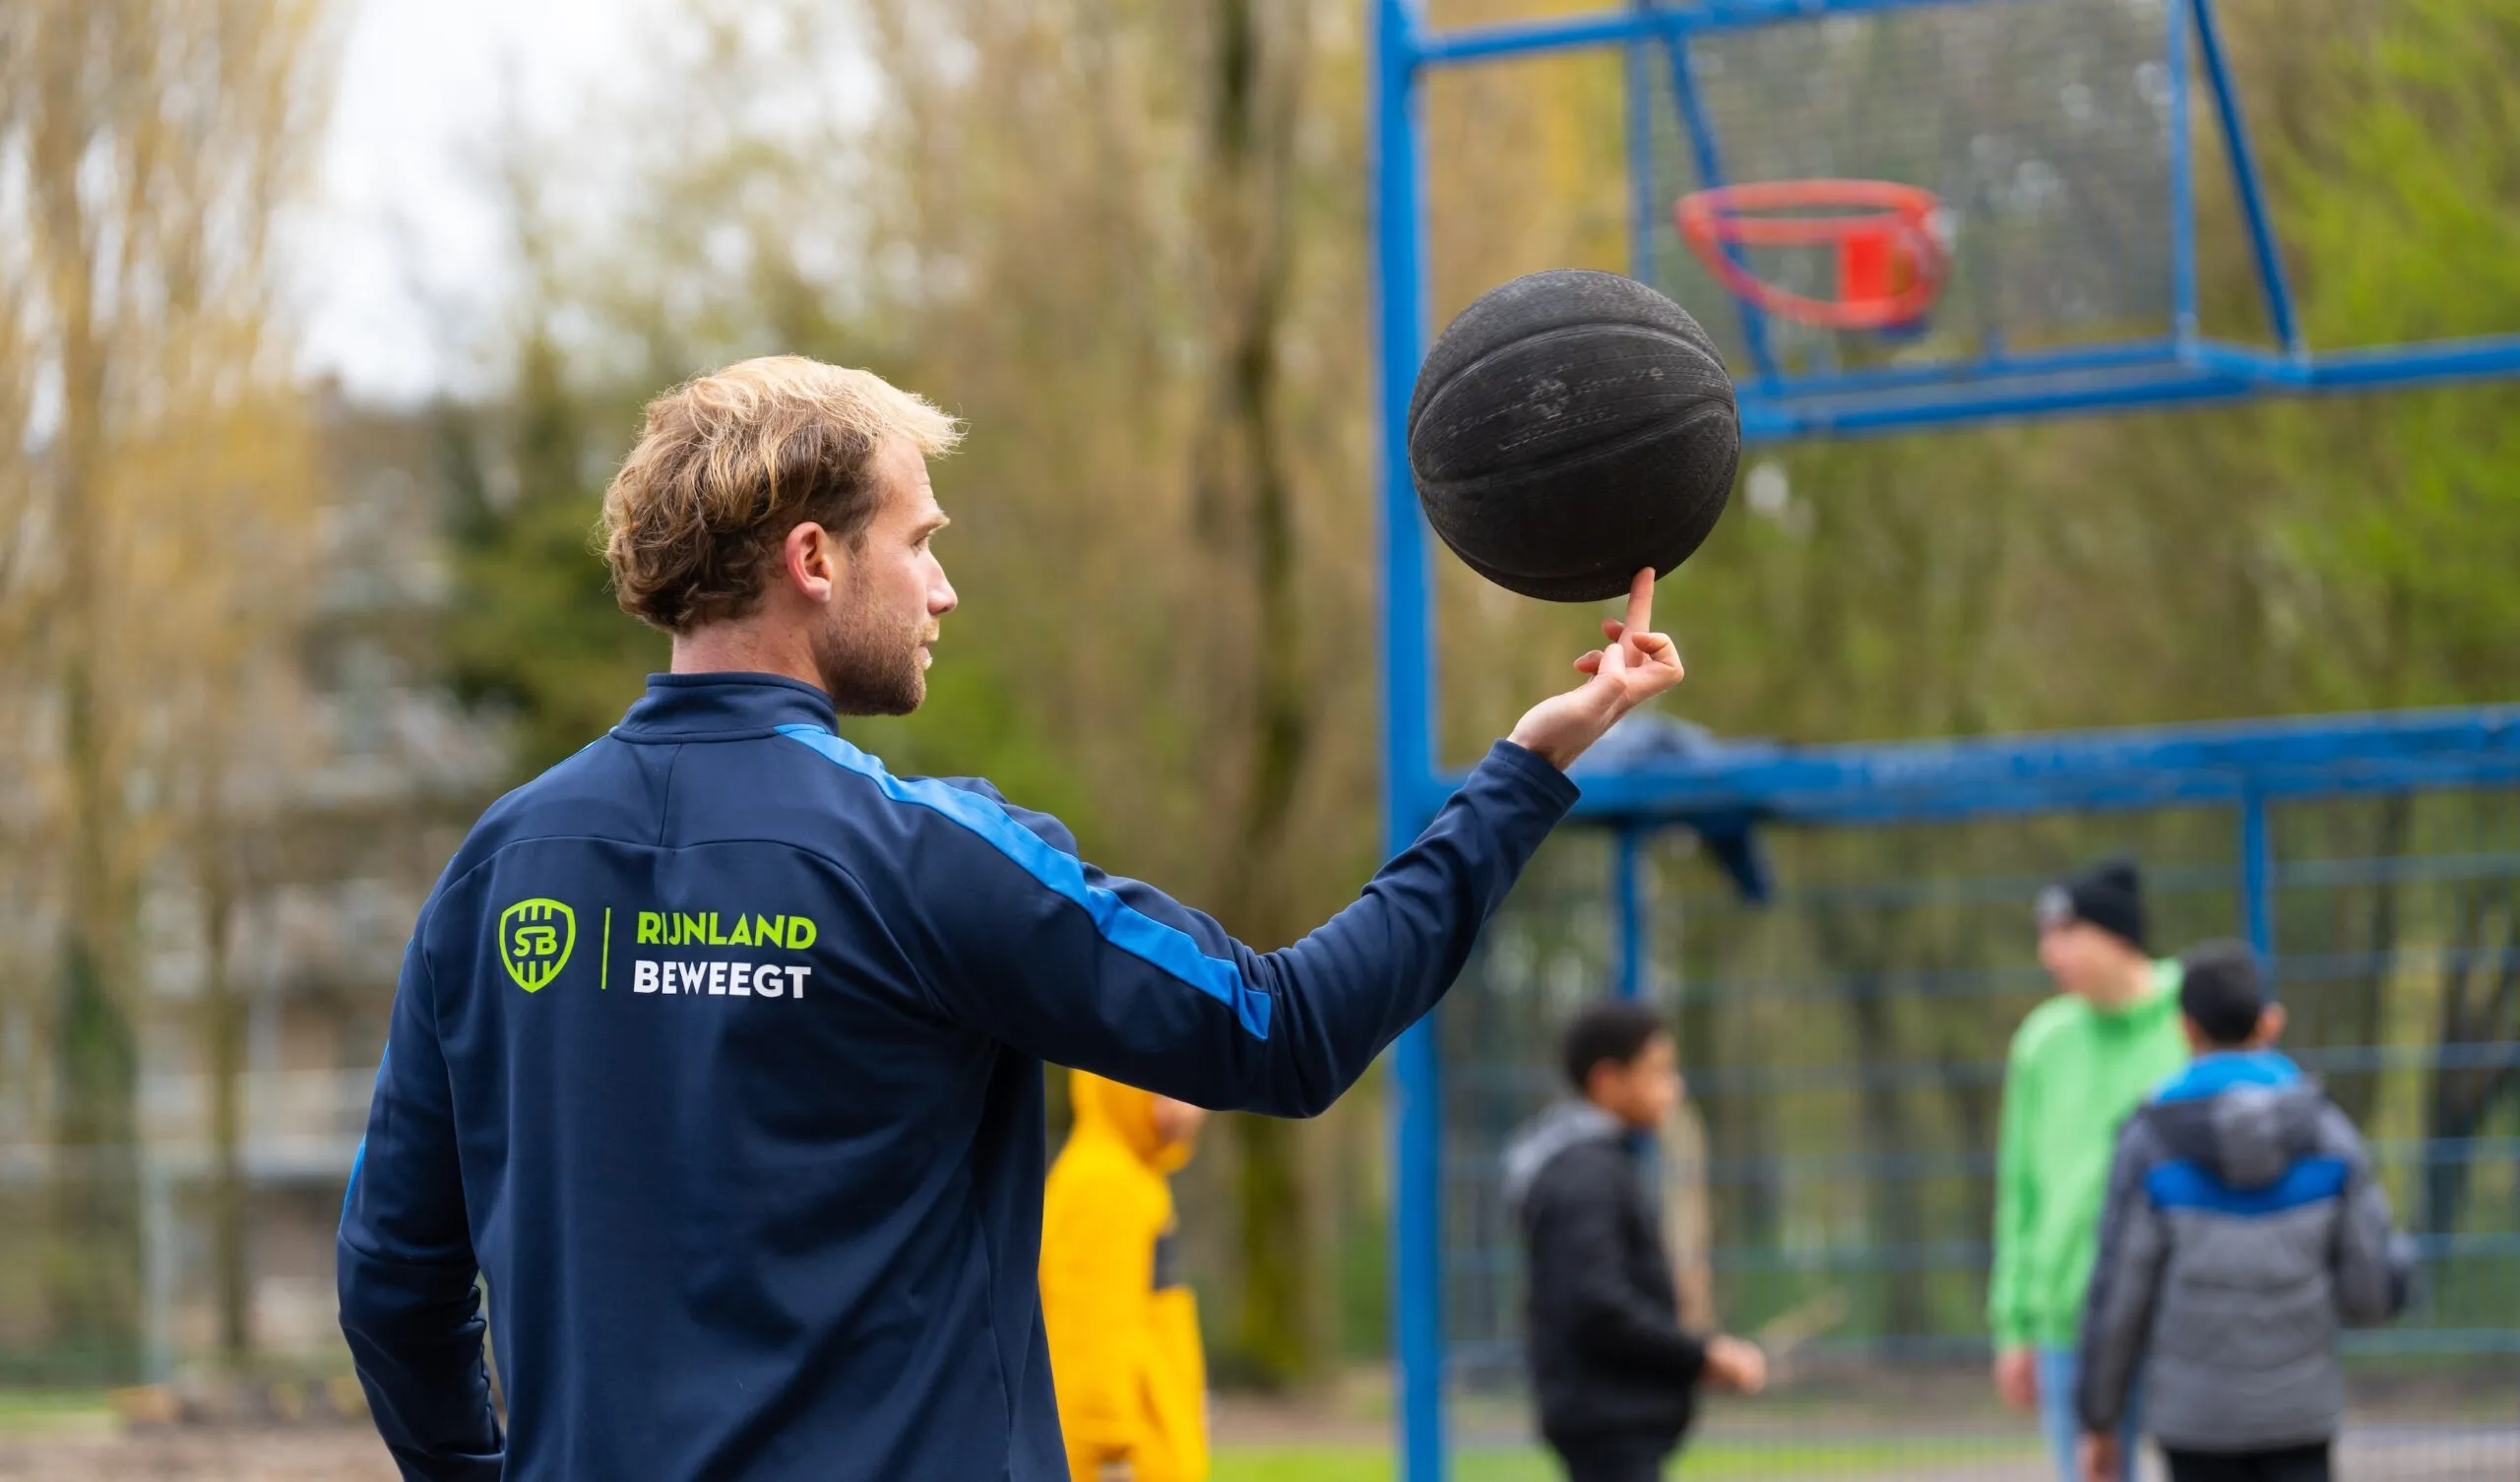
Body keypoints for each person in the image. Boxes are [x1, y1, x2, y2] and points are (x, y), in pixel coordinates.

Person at [334, 356, 1686, 1481]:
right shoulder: (924, 855)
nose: (942, 591)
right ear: (813, 558)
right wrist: (1525, 771)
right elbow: (1284, 1027)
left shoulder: (500, 867)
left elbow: (394, 1277)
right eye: (919, 542)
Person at [2076, 941, 2413, 1482]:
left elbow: (2119, 1295)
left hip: (2194, 1423)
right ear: (2269, 1023)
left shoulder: (2150, 1143)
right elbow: (2371, 1292)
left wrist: (2099, 1419)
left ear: (2186, 1030)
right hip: (2300, 1417)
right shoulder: (2328, 1136)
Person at [1503, 1000, 1768, 1482]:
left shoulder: (1596, 1166)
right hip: (1608, 1423)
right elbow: (1597, 1303)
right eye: (1659, 1071)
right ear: (1608, 1080)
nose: (1675, 1088)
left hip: (1610, 1420)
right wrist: (1700, 1355)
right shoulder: (1587, 1176)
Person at [1988, 858, 2190, 1482]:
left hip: (2182, 1313)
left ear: (2117, 936)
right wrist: (2015, 1323)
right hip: (2069, 1321)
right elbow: (2020, 1191)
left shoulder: (2193, 1020)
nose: (2049, 954)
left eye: (2066, 934)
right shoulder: (2042, 1043)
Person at [1040, 1072, 1209, 1482]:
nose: (1189, 1111)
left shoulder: (1135, 1176)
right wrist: (1109, 1453)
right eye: (1165, 1094)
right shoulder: (1103, 1183)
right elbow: (1090, 1336)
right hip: (1127, 1461)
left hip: (1152, 1445)